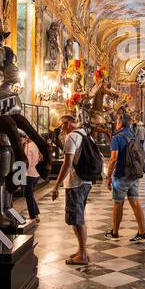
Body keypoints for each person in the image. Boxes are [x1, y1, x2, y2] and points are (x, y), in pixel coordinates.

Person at [51, 113, 95, 266]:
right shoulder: (86, 134)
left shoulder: (71, 137)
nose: (61, 128)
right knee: (78, 218)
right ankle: (81, 250)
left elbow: (67, 164)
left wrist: (56, 185)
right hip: (86, 181)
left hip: (76, 182)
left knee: (78, 219)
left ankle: (83, 255)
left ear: (69, 123)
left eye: (62, 124)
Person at [105, 111, 145, 242]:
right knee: (135, 202)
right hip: (134, 174)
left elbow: (113, 158)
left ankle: (115, 232)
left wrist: (108, 177)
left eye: (117, 121)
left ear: (120, 123)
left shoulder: (116, 138)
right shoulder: (133, 136)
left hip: (121, 175)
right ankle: (142, 233)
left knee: (118, 203)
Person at [19, 131, 41, 222]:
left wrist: (21, 176)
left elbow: (26, 163)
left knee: (28, 196)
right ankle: (36, 214)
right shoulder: (35, 145)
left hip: (29, 175)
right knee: (30, 195)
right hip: (36, 174)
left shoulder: (28, 148)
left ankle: (33, 216)